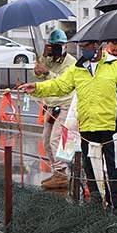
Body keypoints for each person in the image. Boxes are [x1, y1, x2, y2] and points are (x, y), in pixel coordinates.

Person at [20, 39, 117, 214]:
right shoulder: (78, 68)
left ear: (98, 45)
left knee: (115, 168)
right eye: (82, 47)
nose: (85, 50)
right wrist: (36, 87)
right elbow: (60, 85)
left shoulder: (116, 66)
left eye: (88, 46)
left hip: (112, 126)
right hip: (88, 127)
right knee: (90, 168)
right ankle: (96, 205)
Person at [33, 28, 77, 190]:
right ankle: (57, 172)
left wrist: (48, 73)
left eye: (60, 46)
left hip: (65, 104)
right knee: (46, 140)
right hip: (51, 105)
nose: (57, 49)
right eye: (54, 46)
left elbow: (64, 83)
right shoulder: (49, 60)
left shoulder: (71, 62)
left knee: (56, 140)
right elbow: (38, 74)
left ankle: (62, 173)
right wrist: (43, 57)